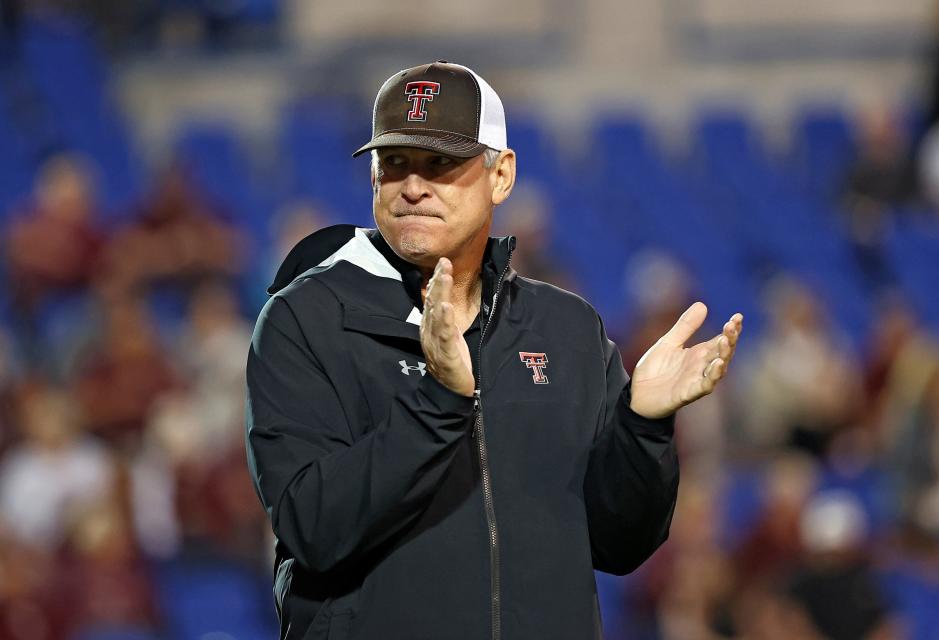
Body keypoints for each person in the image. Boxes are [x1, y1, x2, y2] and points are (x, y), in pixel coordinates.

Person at [244, 61, 742, 640]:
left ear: (501, 175)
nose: (411, 186)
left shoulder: (565, 328)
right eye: (394, 164)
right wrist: (438, 402)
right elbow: (313, 529)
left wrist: (643, 426)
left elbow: (619, 543)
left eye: (441, 164)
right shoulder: (306, 319)